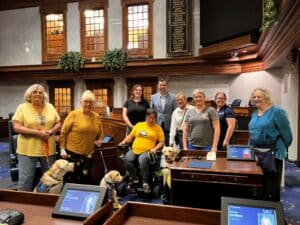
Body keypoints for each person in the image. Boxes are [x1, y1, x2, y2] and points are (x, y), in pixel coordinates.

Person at [12, 84, 61, 191]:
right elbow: (17, 127)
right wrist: (37, 133)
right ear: (29, 95)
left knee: (51, 179)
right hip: (27, 150)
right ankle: (23, 205)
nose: (38, 94)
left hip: (48, 150)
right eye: (35, 92)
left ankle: (47, 201)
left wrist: (50, 131)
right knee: (26, 179)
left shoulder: (50, 107)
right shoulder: (22, 108)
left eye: (41, 92)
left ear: (44, 95)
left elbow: (58, 123)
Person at [249, 88, 292, 201]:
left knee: (271, 188)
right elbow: (252, 132)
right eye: (254, 97)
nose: (256, 99)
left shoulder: (277, 112)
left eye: (259, 96)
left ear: (266, 97)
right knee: (258, 186)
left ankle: (272, 213)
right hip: (256, 154)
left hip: (273, 154)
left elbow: (287, 136)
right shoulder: (254, 113)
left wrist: (280, 148)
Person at [60, 90, 104, 184]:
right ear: (81, 102)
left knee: (86, 178)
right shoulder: (74, 114)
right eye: (86, 102)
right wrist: (62, 148)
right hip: (72, 153)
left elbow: (100, 133)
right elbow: (63, 132)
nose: (88, 104)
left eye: (90, 102)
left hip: (88, 154)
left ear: (93, 104)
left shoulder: (96, 117)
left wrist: (99, 140)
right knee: (72, 179)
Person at [120, 108, 165, 194]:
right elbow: (130, 136)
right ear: (146, 117)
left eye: (153, 118)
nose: (151, 119)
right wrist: (124, 141)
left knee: (142, 159)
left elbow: (161, 142)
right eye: (149, 117)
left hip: (147, 152)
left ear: (156, 118)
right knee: (127, 159)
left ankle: (145, 183)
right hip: (135, 150)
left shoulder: (158, 128)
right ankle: (135, 180)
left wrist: (155, 149)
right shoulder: (139, 125)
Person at [150, 78, 177, 146]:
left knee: (169, 144)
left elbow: (175, 111)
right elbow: (151, 111)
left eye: (164, 85)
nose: (162, 87)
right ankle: (158, 156)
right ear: (158, 86)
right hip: (157, 124)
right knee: (157, 143)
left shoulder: (173, 97)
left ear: (166, 86)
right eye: (161, 85)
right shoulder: (153, 97)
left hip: (169, 124)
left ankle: (169, 156)